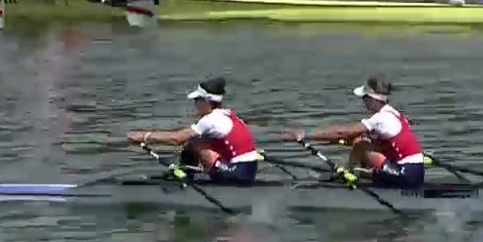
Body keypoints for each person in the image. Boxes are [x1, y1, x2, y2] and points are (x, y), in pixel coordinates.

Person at [283, 76, 425, 189]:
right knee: (360, 142)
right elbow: (350, 137)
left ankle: (350, 178)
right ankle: (350, 175)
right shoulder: (396, 115)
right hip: (415, 173)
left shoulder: (381, 119)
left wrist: (304, 135)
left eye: (364, 98)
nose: (363, 102)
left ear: (372, 99)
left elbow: (342, 133)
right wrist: (323, 140)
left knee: (361, 145)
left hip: (404, 175)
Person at [126, 77, 261, 185]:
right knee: (198, 141)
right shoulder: (227, 114)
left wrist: (145, 136)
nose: (195, 104)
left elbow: (177, 139)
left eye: (197, 100)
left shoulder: (210, 120)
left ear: (207, 101)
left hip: (237, 174)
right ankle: (189, 173)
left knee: (195, 144)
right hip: (248, 170)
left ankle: (187, 178)